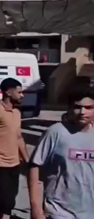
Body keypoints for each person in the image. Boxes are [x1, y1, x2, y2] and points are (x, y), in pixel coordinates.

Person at [28, 87, 94, 219]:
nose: (82, 112)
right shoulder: (56, 132)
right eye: (77, 107)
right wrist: (36, 209)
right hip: (59, 211)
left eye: (88, 107)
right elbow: (35, 168)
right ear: (69, 108)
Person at [0, 78, 29, 219]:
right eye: (19, 92)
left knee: (10, 199)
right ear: (8, 92)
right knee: (7, 202)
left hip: (15, 164)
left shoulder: (17, 113)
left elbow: (19, 138)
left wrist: (28, 161)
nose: (22, 95)